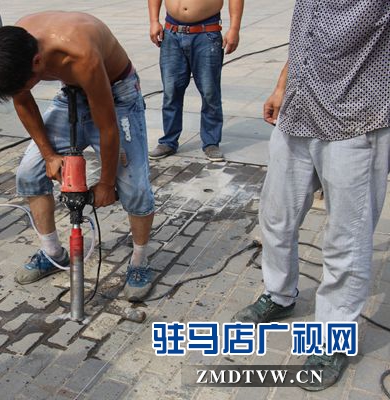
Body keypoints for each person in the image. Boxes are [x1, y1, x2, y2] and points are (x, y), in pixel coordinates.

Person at [232, 0, 390, 391]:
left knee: (346, 239)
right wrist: (281, 86)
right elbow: (306, 38)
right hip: (298, 114)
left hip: (355, 121)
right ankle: (279, 294)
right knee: (276, 217)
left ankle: (334, 338)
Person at [0, 12, 156, 301]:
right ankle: (52, 253)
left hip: (117, 95)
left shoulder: (79, 54)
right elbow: (22, 99)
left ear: (37, 63)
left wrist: (107, 183)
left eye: (24, 85)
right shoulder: (13, 49)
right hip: (71, 94)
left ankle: (139, 261)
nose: (21, 91)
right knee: (29, 173)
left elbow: (108, 128)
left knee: (134, 186)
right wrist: (48, 155)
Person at [147, 0, 244, 162]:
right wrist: (154, 21)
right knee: (171, 91)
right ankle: (168, 141)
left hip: (206, 33)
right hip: (172, 32)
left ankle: (211, 142)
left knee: (209, 92)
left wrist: (234, 28)